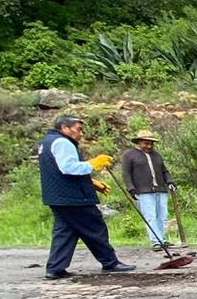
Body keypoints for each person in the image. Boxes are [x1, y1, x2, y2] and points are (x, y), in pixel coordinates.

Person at [37, 115, 135, 279]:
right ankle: (110, 262)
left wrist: (89, 182)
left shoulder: (46, 142)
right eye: (78, 129)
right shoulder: (62, 142)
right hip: (74, 197)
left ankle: (55, 268)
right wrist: (93, 164)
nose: (81, 134)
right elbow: (68, 167)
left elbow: (57, 170)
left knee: (65, 231)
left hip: (57, 196)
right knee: (95, 228)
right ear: (64, 128)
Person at [119, 130, 176, 250]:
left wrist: (170, 181)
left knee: (162, 215)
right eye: (146, 143)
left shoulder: (156, 155)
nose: (149, 146)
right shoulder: (129, 155)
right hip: (143, 190)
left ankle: (163, 239)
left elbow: (164, 170)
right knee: (150, 216)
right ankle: (155, 241)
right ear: (139, 142)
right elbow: (126, 174)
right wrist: (131, 188)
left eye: (151, 144)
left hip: (160, 188)